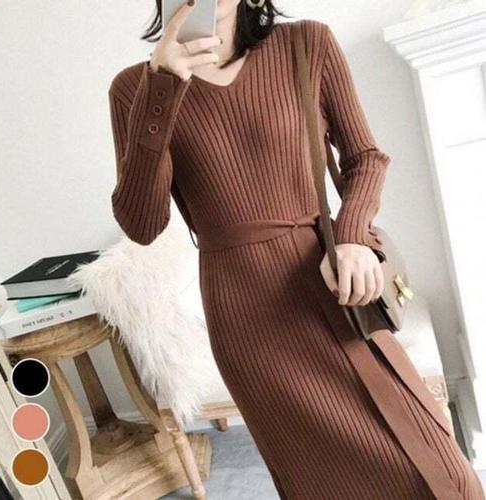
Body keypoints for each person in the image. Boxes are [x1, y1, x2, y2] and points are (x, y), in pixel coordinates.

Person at [108, 1, 485, 498]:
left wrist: (352, 236)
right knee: (315, 478)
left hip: (330, 280)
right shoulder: (135, 89)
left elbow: (365, 157)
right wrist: (163, 88)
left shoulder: (306, 44)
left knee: (439, 472)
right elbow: (141, 224)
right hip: (244, 314)